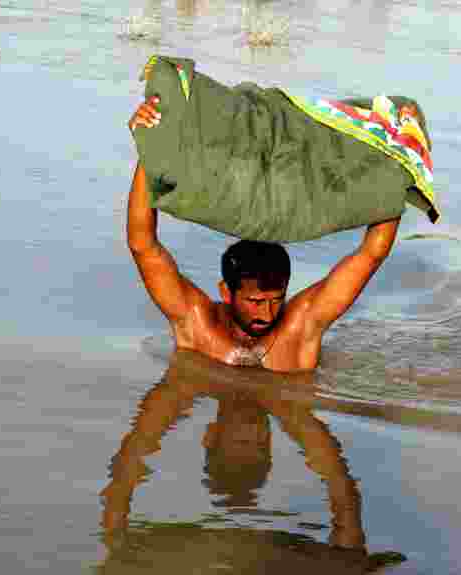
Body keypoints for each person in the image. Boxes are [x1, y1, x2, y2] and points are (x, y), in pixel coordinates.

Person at [126, 96, 401, 372]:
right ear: (226, 292)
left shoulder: (300, 327)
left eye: (276, 299)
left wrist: (400, 162)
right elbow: (143, 245)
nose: (267, 314)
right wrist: (149, 148)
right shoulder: (196, 322)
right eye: (255, 301)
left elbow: (371, 253)